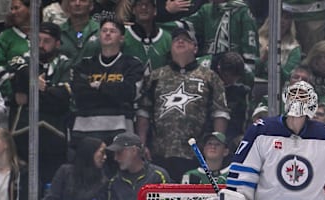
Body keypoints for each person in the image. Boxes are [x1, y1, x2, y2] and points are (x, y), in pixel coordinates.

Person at [135, 27, 230, 182]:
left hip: (195, 154)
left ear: (195, 47)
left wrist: (217, 145)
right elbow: (143, 113)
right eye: (176, 39)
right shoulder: (155, 76)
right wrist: (141, 144)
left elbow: (220, 113)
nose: (180, 41)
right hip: (160, 153)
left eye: (186, 39)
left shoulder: (210, 77)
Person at [70, 16, 143, 162]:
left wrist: (99, 86)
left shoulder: (132, 64)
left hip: (120, 131)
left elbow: (129, 93)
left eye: (112, 31)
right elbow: (78, 93)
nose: (107, 33)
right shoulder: (84, 64)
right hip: (85, 132)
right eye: (104, 30)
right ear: (99, 36)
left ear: (121, 38)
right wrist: (113, 92)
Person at [11, 21, 72, 190]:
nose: (41, 45)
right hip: (23, 131)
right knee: (24, 182)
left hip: (55, 134)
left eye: (47, 41)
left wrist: (31, 92)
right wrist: (37, 84)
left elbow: (62, 99)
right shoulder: (23, 58)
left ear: (57, 43)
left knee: (52, 183)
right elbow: (15, 79)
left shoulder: (65, 64)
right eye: (38, 40)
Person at [184, 0, 259, 74]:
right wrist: (171, 12)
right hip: (210, 66)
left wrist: (247, 70)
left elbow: (250, 44)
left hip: (234, 69)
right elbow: (186, 25)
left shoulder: (243, 11)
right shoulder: (206, 10)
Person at [105, 131, 170, 200]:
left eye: (119, 152)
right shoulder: (114, 182)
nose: (115, 158)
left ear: (134, 151)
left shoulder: (158, 176)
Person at [42, 136, 108, 200]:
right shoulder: (65, 171)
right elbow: (51, 198)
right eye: (102, 152)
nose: (105, 157)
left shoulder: (102, 181)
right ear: (90, 152)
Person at [123, 0, 173, 79]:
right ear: (133, 10)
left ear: (155, 11)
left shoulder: (167, 38)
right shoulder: (122, 35)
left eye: (148, 4)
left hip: (157, 89)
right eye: (139, 4)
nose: (143, 7)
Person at [0, 0, 31, 102]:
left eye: (17, 8)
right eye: (11, 9)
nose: (13, 12)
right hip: (14, 98)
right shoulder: (5, 37)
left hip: (42, 98)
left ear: (30, 8)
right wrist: (13, 94)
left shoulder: (43, 35)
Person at [255, 6, 301, 84]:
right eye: (279, 16)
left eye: (286, 18)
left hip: (279, 86)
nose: (282, 21)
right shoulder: (257, 39)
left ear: (290, 23)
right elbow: (250, 69)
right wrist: (263, 59)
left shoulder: (294, 47)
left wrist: (275, 61)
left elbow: (288, 77)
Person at [59, 0, 101, 66]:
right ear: (67, 5)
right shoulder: (57, 32)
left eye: (83, 0)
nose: (77, 3)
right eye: (73, 0)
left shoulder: (101, 32)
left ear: (91, 5)